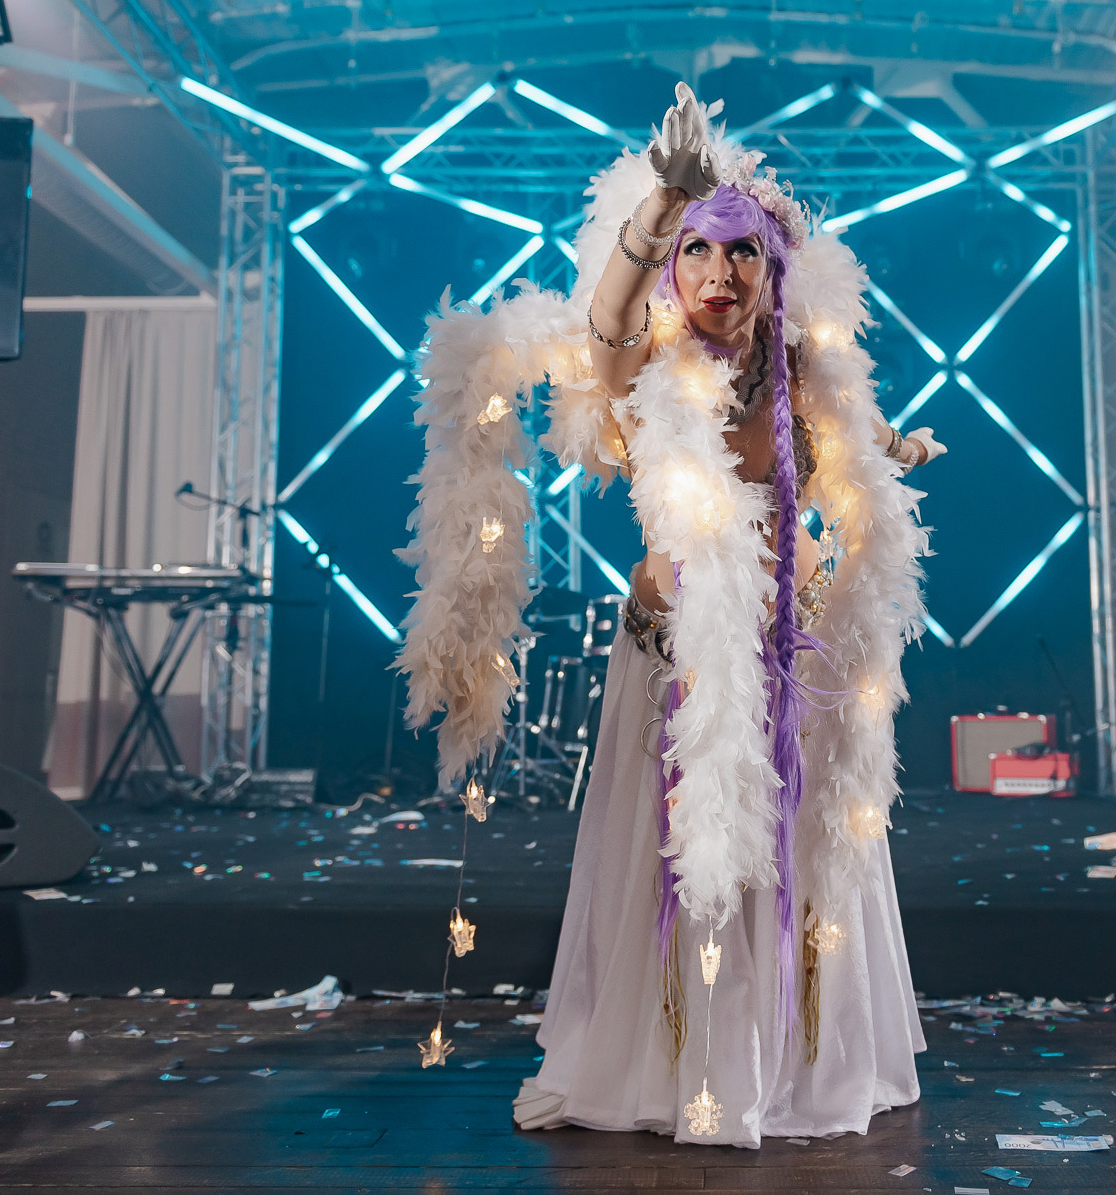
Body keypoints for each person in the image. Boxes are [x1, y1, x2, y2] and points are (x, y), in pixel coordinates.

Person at [398, 83, 944, 1147]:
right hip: (676, 663)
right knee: (687, 866)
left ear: (773, 274)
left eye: (741, 254)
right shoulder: (647, 361)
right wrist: (660, 206)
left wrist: (891, 450)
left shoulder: (801, 371)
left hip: (798, 661)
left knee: (801, 864)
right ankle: (689, 1070)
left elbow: (849, 445)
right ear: (672, 266)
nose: (719, 273)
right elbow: (604, 325)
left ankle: (786, 1067)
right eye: (698, 251)